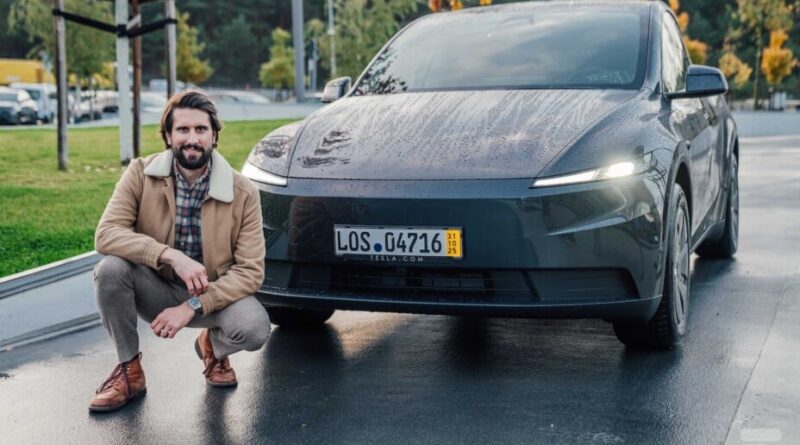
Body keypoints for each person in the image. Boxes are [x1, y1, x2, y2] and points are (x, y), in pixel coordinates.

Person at [88, 90, 269, 413]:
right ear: (168, 136)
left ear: (214, 136)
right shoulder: (140, 174)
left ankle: (212, 347)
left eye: (201, 129)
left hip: (213, 296)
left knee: (254, 328)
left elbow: (250, 271)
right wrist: (170, 255)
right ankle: (129, 372)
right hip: (154, 288)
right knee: (110, 270)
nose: (192, 139)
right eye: (183, 129)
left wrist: (193, 305)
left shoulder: (244, 192)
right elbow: (106, 234)